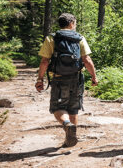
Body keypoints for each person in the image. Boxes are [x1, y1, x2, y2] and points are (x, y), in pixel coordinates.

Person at [35, 13, 98, 147]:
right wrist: (94, 76)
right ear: (71, 24)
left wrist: (40, 79)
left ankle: (67, 124)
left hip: (58, 78)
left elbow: (45, 61)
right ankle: (70, 138)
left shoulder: (51, 38)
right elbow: (87, 60)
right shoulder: (80, 38)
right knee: (73, 108)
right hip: (76, 78)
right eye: (74, 23)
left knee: (57, 108)